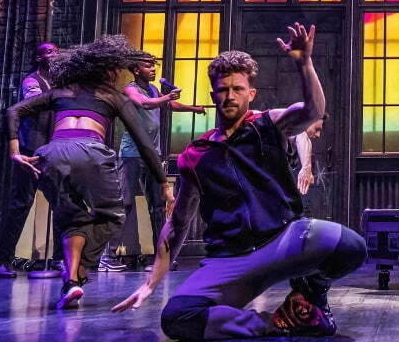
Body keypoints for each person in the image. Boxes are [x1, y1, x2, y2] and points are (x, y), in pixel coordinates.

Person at [113, 23, 367, 339]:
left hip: (283, 239)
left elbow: (311, 111)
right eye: (223, 90)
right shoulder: (196, 154)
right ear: (213, 95)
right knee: (178, 319)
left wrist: (304, 63)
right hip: (231, 259)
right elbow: (177, 225)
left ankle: (308, 295)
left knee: (351, 246)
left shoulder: (268, 125)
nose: (230, 96)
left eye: (237, 89)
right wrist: (150, 283)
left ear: (251, 93)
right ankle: (274, 323)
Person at [6, 36, 172, 309]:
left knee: (73, 218)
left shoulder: (59, 93)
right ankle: (82, 269)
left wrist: (15, 151)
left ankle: (71, 281)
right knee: (113, 214)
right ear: (106, 71)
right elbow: (144, 143)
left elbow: (14, 111)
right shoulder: (112, 96)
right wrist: (164, 183)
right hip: (90, 152)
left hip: (52, 155)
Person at [100, 54, 205, 273]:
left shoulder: (154, 90)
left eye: (153, 65)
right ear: (136, 70)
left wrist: (192, 108)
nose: (153, 69)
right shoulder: (130, 89)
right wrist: (166, 98)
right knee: (124, 203)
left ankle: (162, 257)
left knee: (158, 206)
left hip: (152, 155)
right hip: (132, 155)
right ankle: (108, 257)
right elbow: (144, 104)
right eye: (148, 66)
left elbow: (169, 104)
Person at [0, 41, 62, 278]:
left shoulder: (58, 83)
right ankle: (1, 261)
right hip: (30, 151)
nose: (55, 55)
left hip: (51, 151)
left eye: (57, 52)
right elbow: (35, 103)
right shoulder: (32, 81)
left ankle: (60, 260)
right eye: (50, 52)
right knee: (21, 204)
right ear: (39, 58)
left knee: (62, 205)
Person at [288, 114, 325, 196]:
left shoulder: (296, 147)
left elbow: (307, 142)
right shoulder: (292, 127)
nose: (318, 135)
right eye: (317, 129)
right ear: (307, 122)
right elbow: (301, 135)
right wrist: (306, 168)